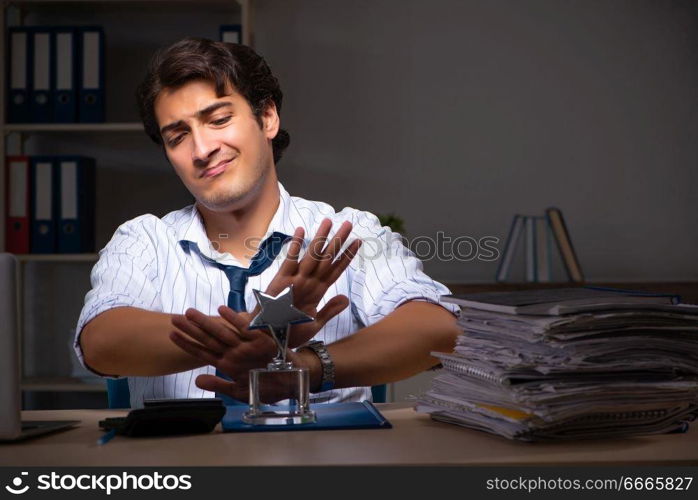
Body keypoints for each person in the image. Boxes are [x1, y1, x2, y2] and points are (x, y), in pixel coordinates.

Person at [75, 38, 460, 408]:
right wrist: (261, 329)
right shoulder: (143, 239)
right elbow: (102, 341)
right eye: (178, 137)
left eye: (219, 119)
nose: (202, 149)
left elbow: (438, 329)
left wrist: (305, 367)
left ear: (268, 117)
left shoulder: (348, 232)